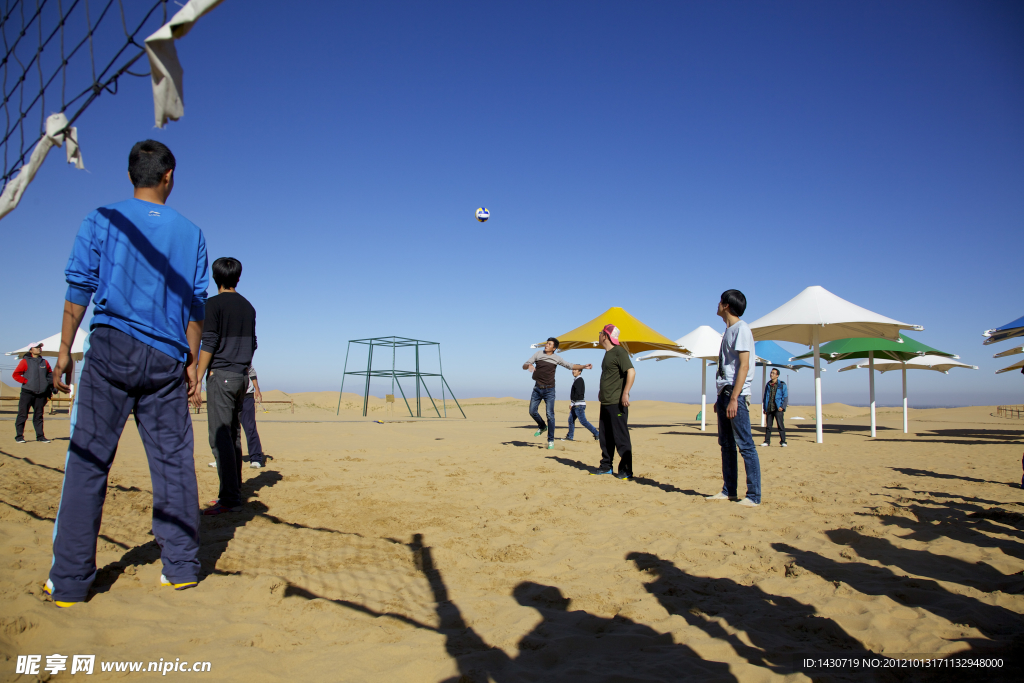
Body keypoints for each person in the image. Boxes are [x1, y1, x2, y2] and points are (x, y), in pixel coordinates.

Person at [46, 140, 208, 608]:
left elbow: (80, 285)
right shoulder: (192, 232)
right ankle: (180, 569)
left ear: (132, 174)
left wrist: (63, 352)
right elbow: (195, 303)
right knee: (174, 465)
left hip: (112, 348)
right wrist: (192, 362)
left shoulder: (102, 218)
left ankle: (71, 582)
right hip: (166, 357)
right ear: (169, 175)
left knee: (88, 462)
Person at [195, 257, 257, 515]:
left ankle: (229, 498)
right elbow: (253, 344)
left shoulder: (213, 305)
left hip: (222, 375)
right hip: (241, 376)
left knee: (220, 437)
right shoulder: (248, 307)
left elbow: (208, 341)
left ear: (214, 277)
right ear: (238, 278)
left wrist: (197, 378)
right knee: (233, 436)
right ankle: (232, 492)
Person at [707, 289, 761, 507]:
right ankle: (729, 490)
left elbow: (744, 366)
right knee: (726, 444)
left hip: (734, 393)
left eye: (720, 302)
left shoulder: (742, 329)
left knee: (745, 444)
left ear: (727, 305)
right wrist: (720, 396)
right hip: (725, 392)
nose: (718, 305)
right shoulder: (728, 330)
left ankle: (753, 496)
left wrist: (733, 397)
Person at [523, 338, 590, 449]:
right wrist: (529, 365)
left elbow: (570, 366)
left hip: (549, 390)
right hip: (537, 388)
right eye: (546, 343)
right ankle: (542, 426)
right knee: (532, 411)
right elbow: (524, 365)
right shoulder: (538, 354)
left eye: (549, 344)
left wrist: (583, 366)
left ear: (554, 348)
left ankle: (550, 441)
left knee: (550, 415)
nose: (546, 345)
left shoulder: (556, 358)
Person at [591, 324, 635, 480]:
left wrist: (625, 393)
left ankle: (626, 470)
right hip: (606, 401)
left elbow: (631, 371)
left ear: (605, 335)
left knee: (620, 437)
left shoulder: (619, 351)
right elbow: (609, 376)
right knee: (605, 436)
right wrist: (601, 391)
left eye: (600, 332)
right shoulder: (608, 353)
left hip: (617, 402)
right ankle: (606, 466)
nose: (599, 335)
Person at [12, 342, 53, 443]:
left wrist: (50, 385)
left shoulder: (45, 362)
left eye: (40, 347)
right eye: (36, 347)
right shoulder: (25, 361)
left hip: (41, 394)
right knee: (23, 415)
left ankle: (40, 437)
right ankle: (19, 437)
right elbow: (15, 375)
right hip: (27, 393)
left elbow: (50, 374)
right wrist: (26, 382)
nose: (39, 349)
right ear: (31, 350)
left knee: (38, 416)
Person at [240, 365, 266, 469]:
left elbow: (251, 372)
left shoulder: (244, 354)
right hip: (226, 394)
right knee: (226, 428)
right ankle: (221, 458)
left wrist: (257, 389)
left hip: (246, 396)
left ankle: (255, 458)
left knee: (250, 427)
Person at [563, 368, 598, 441]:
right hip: (576, 404)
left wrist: (572, 403)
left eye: (575, 370)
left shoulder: (579, 380)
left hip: (579, 405)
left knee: (583, 421)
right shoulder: (577, 380)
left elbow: (578, 393)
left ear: (580, 372)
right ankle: (570, 436)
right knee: (571, 420)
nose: (573, 371)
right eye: (573, 370)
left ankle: (597, 433)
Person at [760, 368, 788, 447]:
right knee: (768, 426)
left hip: (778, 408)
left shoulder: (782, 385)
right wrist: (764, 408)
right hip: (769, 408)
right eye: (771, 373)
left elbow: (785, 397)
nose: (771, 374)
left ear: (777, 375)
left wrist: (782, 407)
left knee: (780, 425)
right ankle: (767, 441)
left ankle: (783, 441)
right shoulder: (768, 384)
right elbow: (765, 396)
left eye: (773, 373)